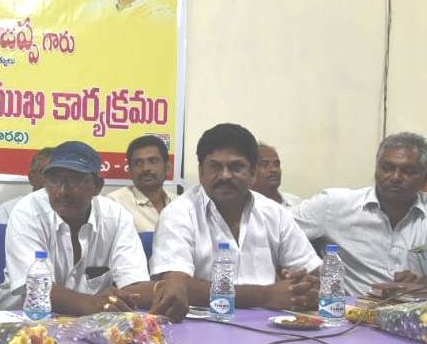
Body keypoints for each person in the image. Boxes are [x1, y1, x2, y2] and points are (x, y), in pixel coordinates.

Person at [0, 141, 187, 320]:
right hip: (19, 320)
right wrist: (93, 304)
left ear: (97, 186)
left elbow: (133, 284)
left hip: (87, 324)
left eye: (74, 181)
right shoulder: (28, 212)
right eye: (54, 181)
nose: (62, 191)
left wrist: (162, 290)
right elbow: (37, 288)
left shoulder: (117, 217)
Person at [151, 124, 320, 311]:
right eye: (215, 167)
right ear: (201, 171)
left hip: (270, 322)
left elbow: (314, 273)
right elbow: (176, 288)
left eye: (236, 167)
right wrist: (266, 296)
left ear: (253, 173)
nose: (225, 175)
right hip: (205, 323)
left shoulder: (275, 213)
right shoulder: (178, 214)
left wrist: (306, 287)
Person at [294, 132, 427, 299]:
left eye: (408, 171)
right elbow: (281, 228)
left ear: (425, 178)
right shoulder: (333, 205)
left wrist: (413, 287)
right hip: (351, 310)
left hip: (415, 310)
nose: (395, 177)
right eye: (387, 168)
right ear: (376, 169)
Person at [106, 135, 175, 233]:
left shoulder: (180, 203)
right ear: (130, 171)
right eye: (138, 163)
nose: (145, 168)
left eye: (153, 161)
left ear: (167, 168)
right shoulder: (115, 203)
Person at [0, 147, 52, 224]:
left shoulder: (67, 212)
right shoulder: (7, 210)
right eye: (48, 172)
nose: (54, 180)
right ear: (32, 178)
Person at [251, 143, 301, 208]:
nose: (274, 170)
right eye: (265, 165)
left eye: (276, 165)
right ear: (251, 171)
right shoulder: (246, 207)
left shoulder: (295, 201)